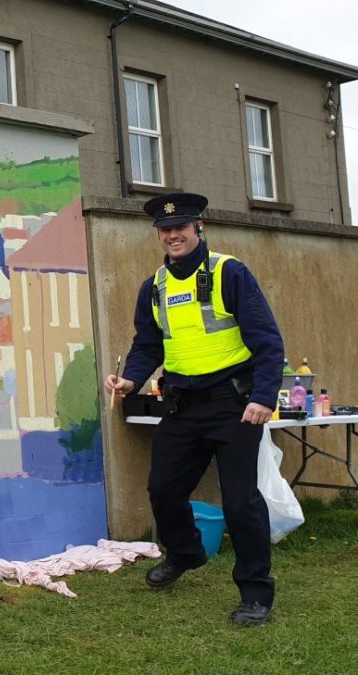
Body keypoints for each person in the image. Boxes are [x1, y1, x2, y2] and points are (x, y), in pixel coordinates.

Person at [104, 192, 284, 627]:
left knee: (241, 503)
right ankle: (186, 553)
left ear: (198, 227)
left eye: (180, 227)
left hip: (234, 407)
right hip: (182, 407)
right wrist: (130, 380)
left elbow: (266, 339)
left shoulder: (229, 272)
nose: (173, 235)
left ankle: (256, 594)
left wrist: (263, 397)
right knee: (163, 490)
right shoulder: (154, 287)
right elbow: (148, 345)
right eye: (165, 230)